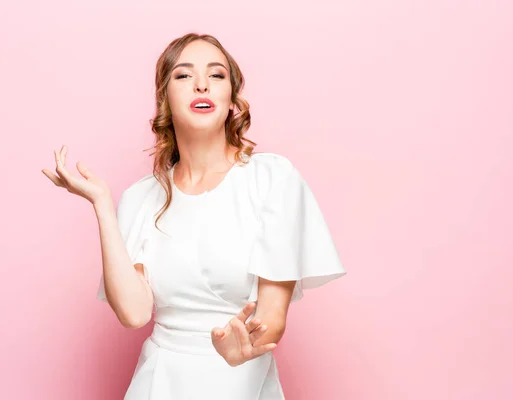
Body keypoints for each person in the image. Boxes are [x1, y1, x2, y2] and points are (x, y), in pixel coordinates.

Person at [42, 32, 346, 400]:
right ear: (164, 98)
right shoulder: (140, 197)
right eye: (184, 76)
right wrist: (103, 205)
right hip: (158, 384)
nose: (201, 84)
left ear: (232, 100)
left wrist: (241, 349)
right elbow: (135, 314)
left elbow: (271, 319)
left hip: (242, 383)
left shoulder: (273, 179)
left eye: (217, 75)